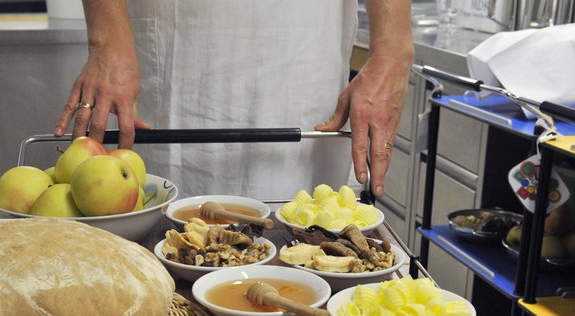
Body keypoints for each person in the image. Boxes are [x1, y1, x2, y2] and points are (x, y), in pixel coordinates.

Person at [54, 0, 413, 200]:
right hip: (170, 52)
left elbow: (394, 49)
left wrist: (394, 51)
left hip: (302, 50)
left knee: (304, 239)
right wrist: (106, 39)